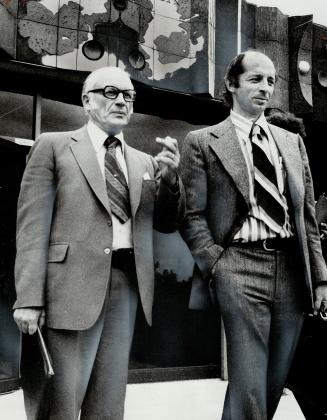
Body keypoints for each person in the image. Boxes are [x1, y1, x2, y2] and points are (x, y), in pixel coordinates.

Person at [13, 66, 185, 420]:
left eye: (128, 96)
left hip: (125, 286)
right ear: (86, 100)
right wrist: (28, 298)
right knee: (60, 401)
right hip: (67, 288)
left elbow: (167, 225)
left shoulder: (144, 162)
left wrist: (170, 180)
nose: (121, 100)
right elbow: (32, 228)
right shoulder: (54, 146)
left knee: (108, 402)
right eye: (111, 92)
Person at [180, 50, 327, 420]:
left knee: (274, 380)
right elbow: (192, 214)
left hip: (292, 270)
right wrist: (216, 263)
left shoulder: (291, 142)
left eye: (271, 81)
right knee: (248, 378)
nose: (265, 88)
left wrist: (321, 277)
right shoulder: (203, 141)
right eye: (255, 79)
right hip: (239, 267)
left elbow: (306, 215)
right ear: (232, 84)